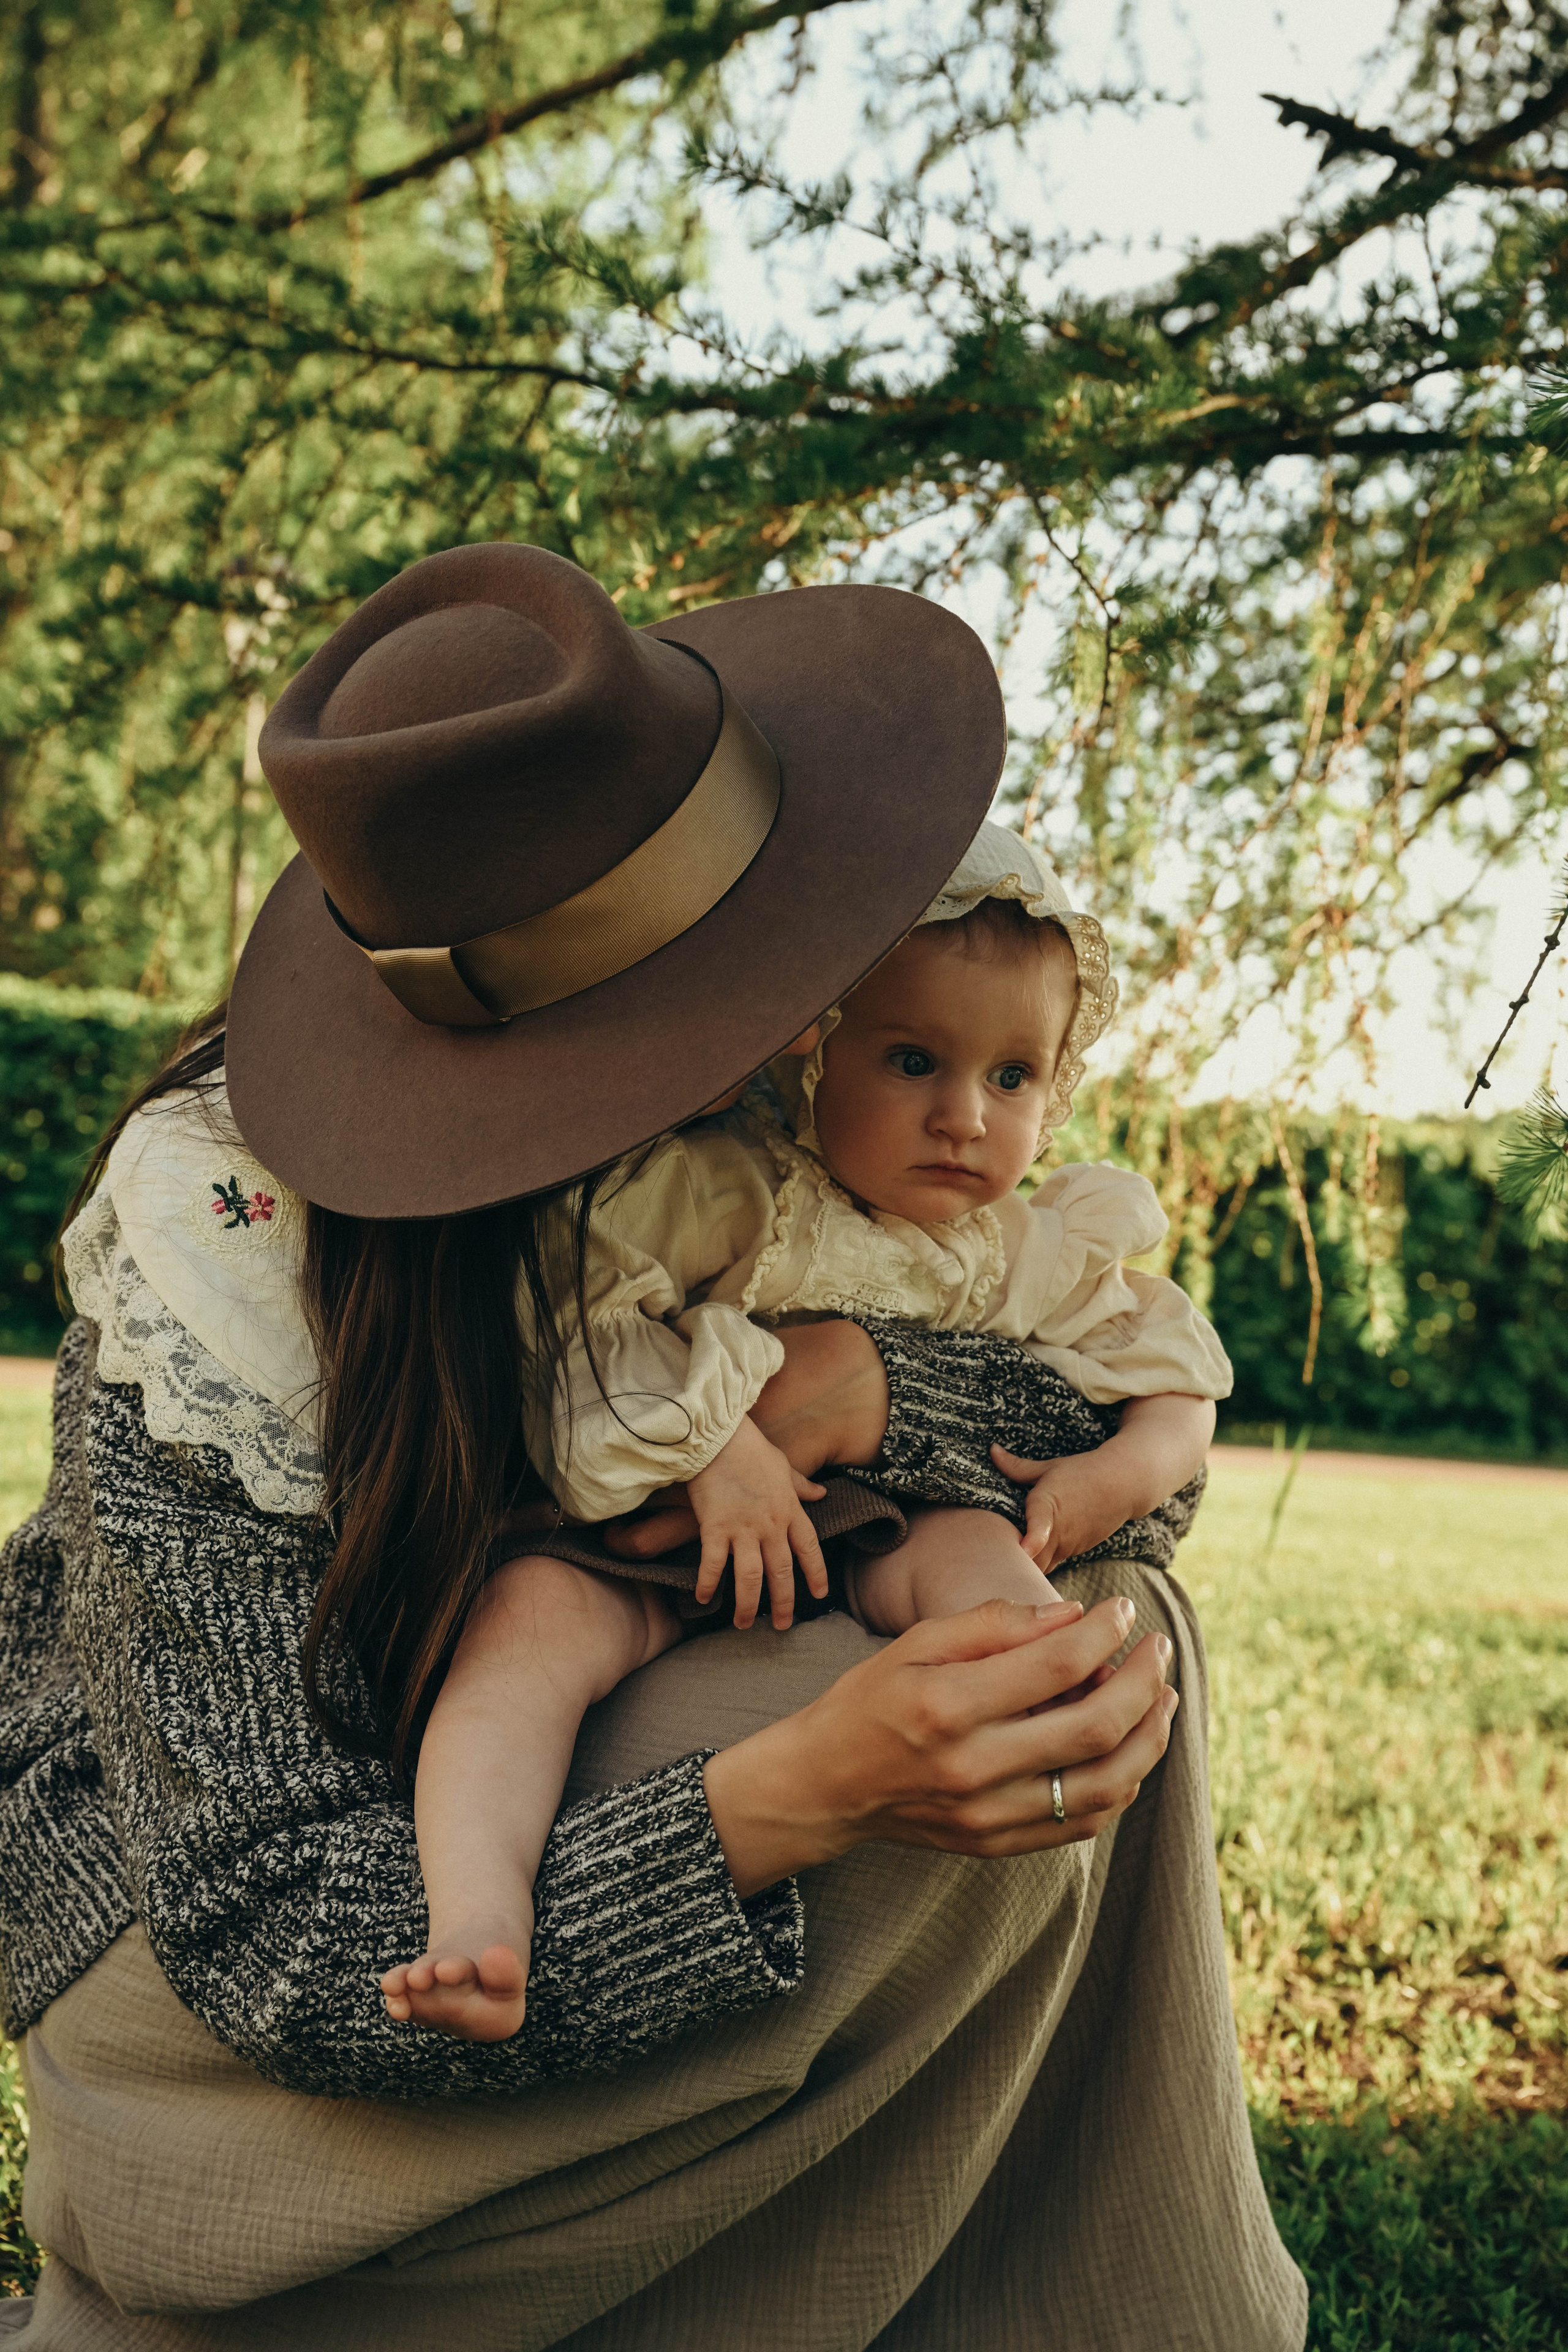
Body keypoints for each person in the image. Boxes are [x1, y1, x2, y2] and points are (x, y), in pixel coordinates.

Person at [0, 541, 1306, 2348]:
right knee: (903, 1734)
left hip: (528, 1767)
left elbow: (1122, 1477)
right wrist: (800, 1795)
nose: (805, 1001)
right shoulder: (226, 1239)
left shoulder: (753, 1137)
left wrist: (865, 1390)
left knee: (1080, 1654)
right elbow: (266, 1931)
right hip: (240, 1986)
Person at [385, 821, 1232, 2040]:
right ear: (812, 1054)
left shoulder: (1019, 1248)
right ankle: (476, 1918)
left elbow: (1170, 1365)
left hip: (880, 1530)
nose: (962, 1118)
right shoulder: (733, 1188)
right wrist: (715, 1445)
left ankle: (1046, 1717)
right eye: (910, 1061)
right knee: (520, 1641)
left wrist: (1124, 1468)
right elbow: (568, 1305)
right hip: (672, 1527)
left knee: (984, 1572)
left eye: (1010, 1078)